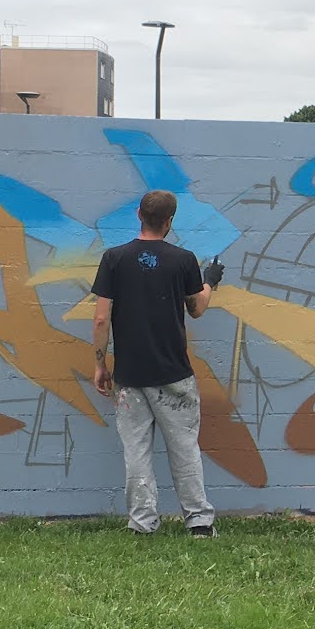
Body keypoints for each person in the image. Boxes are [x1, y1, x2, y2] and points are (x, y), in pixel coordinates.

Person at [90, 189, 225, 535]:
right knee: (184, 449)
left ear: (139, 214)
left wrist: (100, 364)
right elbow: (196, 309)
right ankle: (199, 522)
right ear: (169, 221)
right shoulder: (183, 260)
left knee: (136, 452)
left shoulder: (114, 259)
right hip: (173, 373)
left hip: (130, 376)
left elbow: (101, 319)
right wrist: (209, 281)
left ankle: (142, 522)